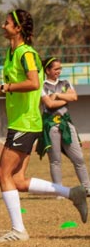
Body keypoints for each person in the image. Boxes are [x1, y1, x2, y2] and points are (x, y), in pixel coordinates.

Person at [0, 9, 87, 242]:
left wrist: (5, 88)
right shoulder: (11, 52)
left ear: (18, 28)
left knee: (2, 174)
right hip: (21, 122)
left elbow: (32, 83)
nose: (3, 26)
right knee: (18, 180)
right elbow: (20, 88)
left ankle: (19, 231)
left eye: (7, 23)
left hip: (25, 122)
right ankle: (73, 193)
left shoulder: (26, 53)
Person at [36, 57, 90, 194]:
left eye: (60, 68)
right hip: (51, 125)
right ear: (47, 70)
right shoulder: (42, 86)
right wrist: (65, 98)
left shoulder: (65, 83)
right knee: (55, 161)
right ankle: (59, 191)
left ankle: (87, 188)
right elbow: (49, 104)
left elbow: (74, 97)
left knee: (78, 158)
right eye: (55, 69)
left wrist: (57, 95)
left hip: (66, 123)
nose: (58, 71)